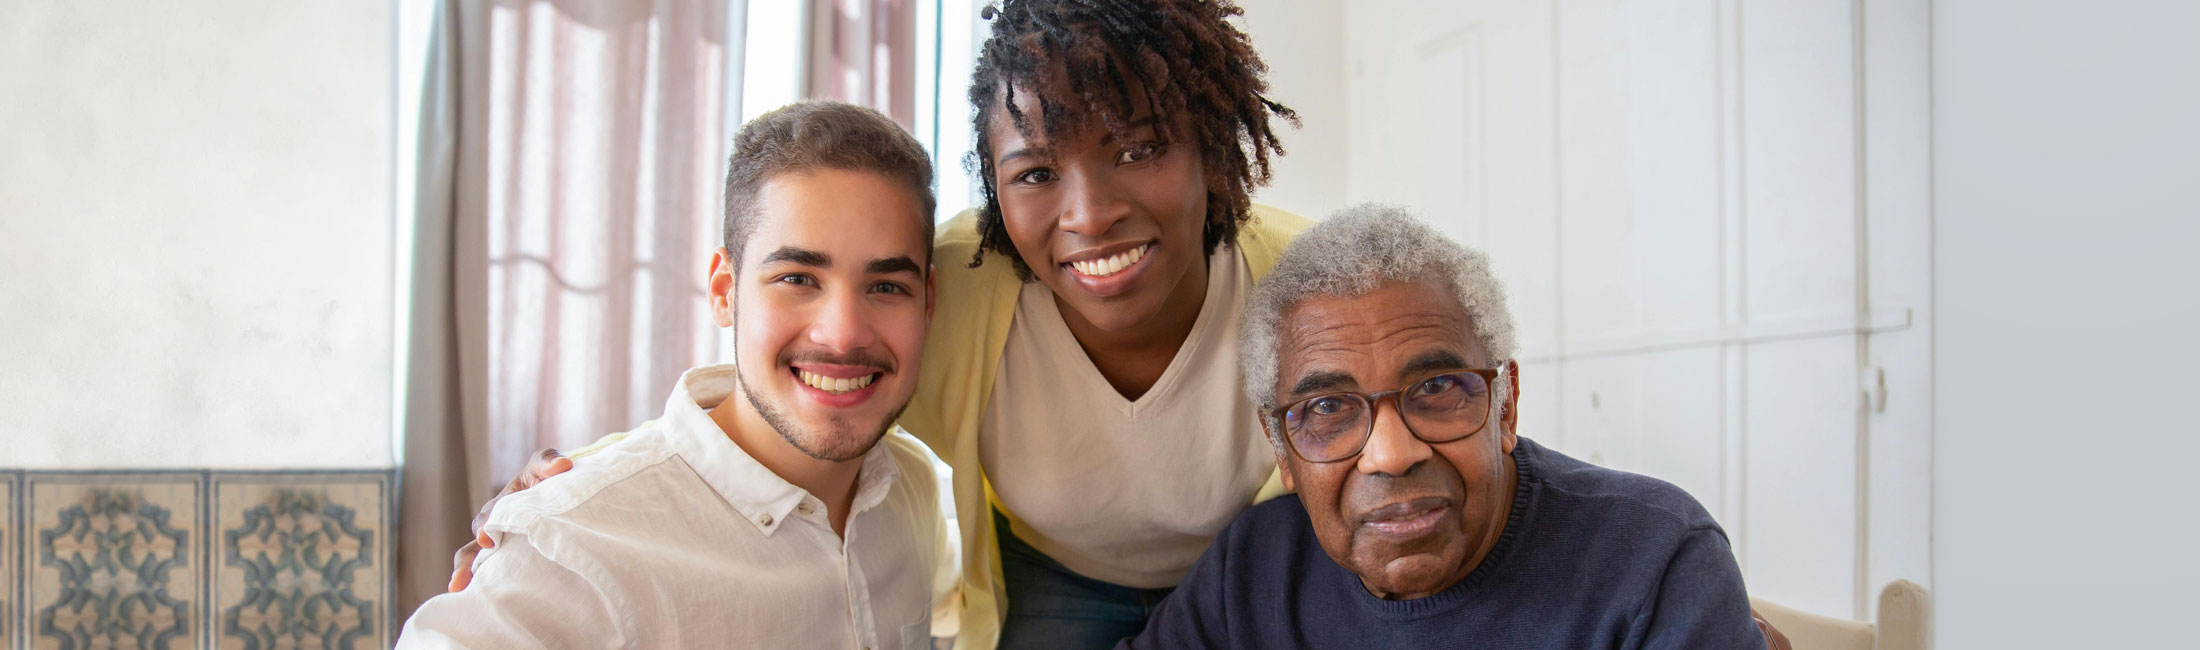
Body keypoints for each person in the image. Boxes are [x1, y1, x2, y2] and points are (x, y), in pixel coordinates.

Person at [448, 2, 1791, 648]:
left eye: (1140, 148)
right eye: (1036, 173)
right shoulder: (956, 287)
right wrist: (606, 480)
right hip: (1062, 585)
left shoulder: (1295, 285)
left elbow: (1385, 446)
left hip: (1271, 564)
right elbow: (811, 377)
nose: (1088, 214)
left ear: (1216, 156)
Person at [398, 101, 957, 648]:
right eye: (797, 279)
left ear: (928, 303)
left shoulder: (910, 490)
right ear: (724, 292)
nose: (842, 334)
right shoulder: (572, 547)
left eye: (886, 287)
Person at [1120, 204, 1767, 649]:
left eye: (1436, 389)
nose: (1392, 454)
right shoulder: (1255, 571)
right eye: (1326, 408)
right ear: (1281, 449)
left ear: (1506, 405)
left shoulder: (1653, 560)